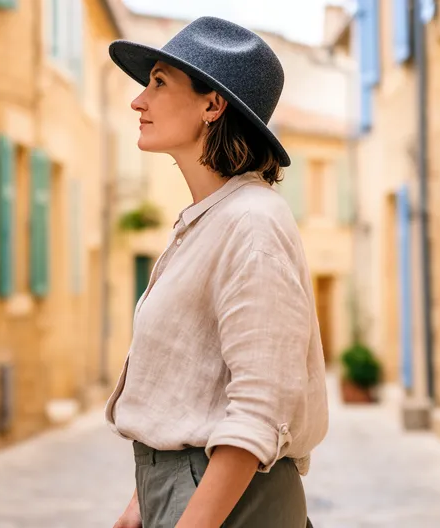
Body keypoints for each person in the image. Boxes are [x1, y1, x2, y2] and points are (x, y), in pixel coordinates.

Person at [104, 16, 329, 528]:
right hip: (187, 494)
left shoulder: (250, 224)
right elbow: (196, 385)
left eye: (159, 82)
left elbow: (258, 408)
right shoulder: (212, 221)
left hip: (229, 506)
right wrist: (143, 501)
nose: (139, 101)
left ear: (212, 104)